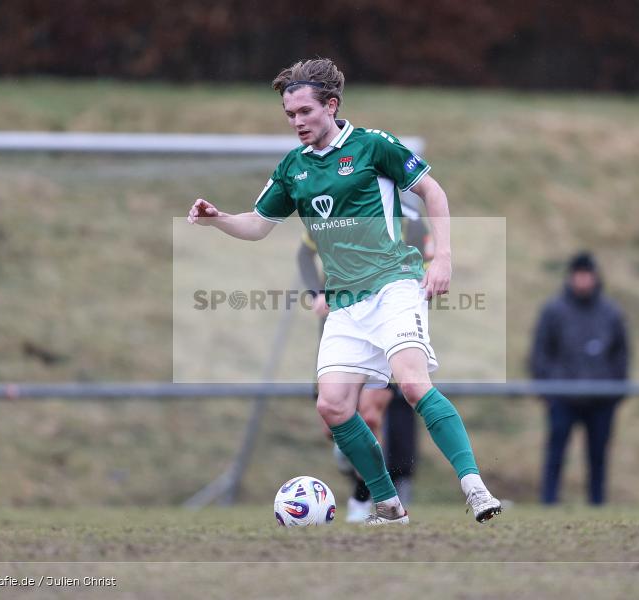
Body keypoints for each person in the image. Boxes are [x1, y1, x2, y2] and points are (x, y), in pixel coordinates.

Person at [188, 57, 502, 525]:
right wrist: (219, 220)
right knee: (332, 405)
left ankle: (474, 487)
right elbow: (257, 226)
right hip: (344, 303)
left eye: (304, 112)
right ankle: (389, 506)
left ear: (331, 106)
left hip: (394, 284)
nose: (296, 122)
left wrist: (444, 257)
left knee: (413, 384)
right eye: (290, 115)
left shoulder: (374, 146)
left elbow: (433, 192)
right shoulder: (293, 168)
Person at [298, 201, 429, 520]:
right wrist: (317, 293)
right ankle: (349, 458)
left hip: (386, 327)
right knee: (334, 420)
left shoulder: (411, 220)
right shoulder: (336, 206)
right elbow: (304, 253)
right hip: (342, 322)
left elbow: (419, 276)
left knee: (370, 415)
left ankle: (365, 497)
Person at [529, 252, 629, 505]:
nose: (583, 281)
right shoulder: (553, 311)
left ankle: (597, 504)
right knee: (556, 454)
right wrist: (548, 389)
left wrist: (615, 391)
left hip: (601, 400)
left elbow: (621, 354)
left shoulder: (611, 312)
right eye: (579, 275)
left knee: (598, 456)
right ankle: (548, 502)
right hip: (563, 398)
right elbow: (540, 352)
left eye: (587, 275)